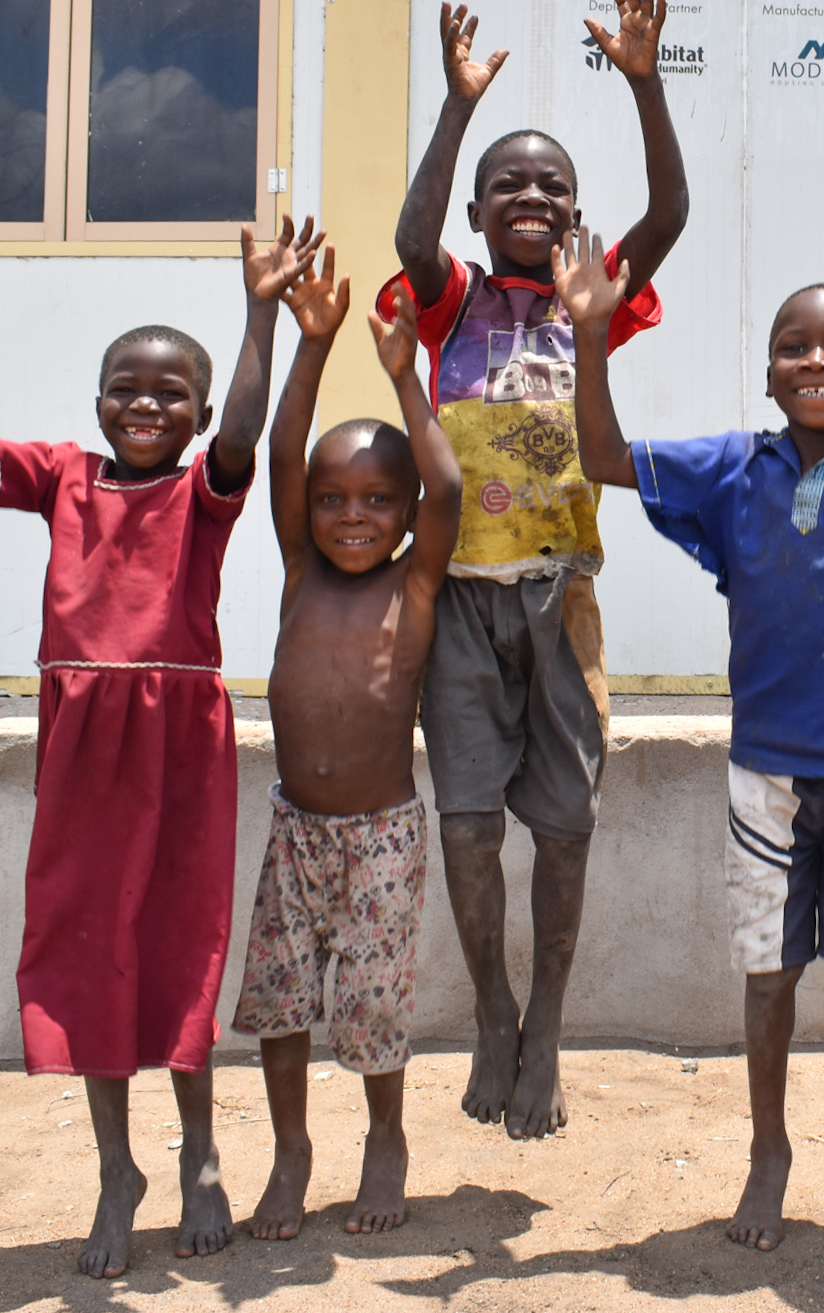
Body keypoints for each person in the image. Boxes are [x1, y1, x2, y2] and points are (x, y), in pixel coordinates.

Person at [559, 127, 824, 1252]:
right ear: (766, 371)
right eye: (796, 347)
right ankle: (768, 1152)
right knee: (767, 973)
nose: (818, 362)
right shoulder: (729, 468)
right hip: (764, 769)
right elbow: (604, 453)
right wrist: (592, 333)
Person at [0, 208, 317, 1276]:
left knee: (179, 940)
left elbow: (247, 435)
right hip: (84, 741)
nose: (145, 405)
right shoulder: (65, 479)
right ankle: (116, 1167)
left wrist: (260, 308)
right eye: (126, 389)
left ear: (199, 408)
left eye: (169, 391)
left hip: (179, 737)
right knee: (94, 946)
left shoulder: (205, 492)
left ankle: (204, 1154)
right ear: (96, 406)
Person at [378, 0, 688, 1141]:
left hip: (561, 604)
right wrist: (458, 105)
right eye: (505, 183)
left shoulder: (592, 298)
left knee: (564, 824)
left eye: (549, 185)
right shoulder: (449, 297)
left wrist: (646, 85)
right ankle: (494, 1004)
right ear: (476, 211)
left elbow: (670, 212)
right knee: (467, 824)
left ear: (572, 214)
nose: (527, 194)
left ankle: (547, 1017)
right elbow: (412, 234)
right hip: (457, 604)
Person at [233, 251, 462, 1240]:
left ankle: (384, 1138)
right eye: (334, 500)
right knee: (281, 1003)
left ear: (404, 515)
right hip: (296, 830)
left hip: (381, 837)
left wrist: (406, 374)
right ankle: (291, 1150)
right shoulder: (300, 573)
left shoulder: (412, 589)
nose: (352, 515)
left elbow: (446, 479)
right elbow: (286, 452)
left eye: (376, 500)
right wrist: (311, 342)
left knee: (370, 1006)